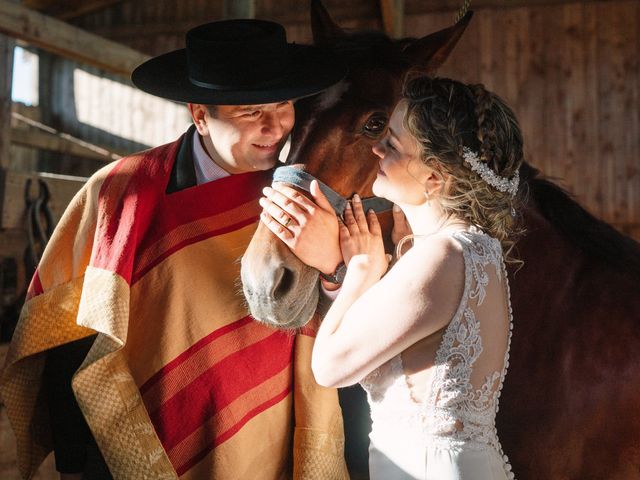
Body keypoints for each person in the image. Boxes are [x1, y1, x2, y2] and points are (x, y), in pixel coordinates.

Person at [0, 20, 349, 479]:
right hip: (140, 441)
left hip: (271, 443)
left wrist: (335, 269)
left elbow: (344, 327)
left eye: (283, 105)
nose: (275, 127)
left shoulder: (307, 201)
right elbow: (69, 339)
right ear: (199, 113)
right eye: (250, 112)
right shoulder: (118, 192)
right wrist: (71, 463)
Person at [260, 76, 523, 479]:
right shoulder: (474, 249)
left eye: (394, 144)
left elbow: (329, 367)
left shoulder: (442, 257)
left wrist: (362, 269)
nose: (376, 148)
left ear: (434, 178)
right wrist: (344, 265)